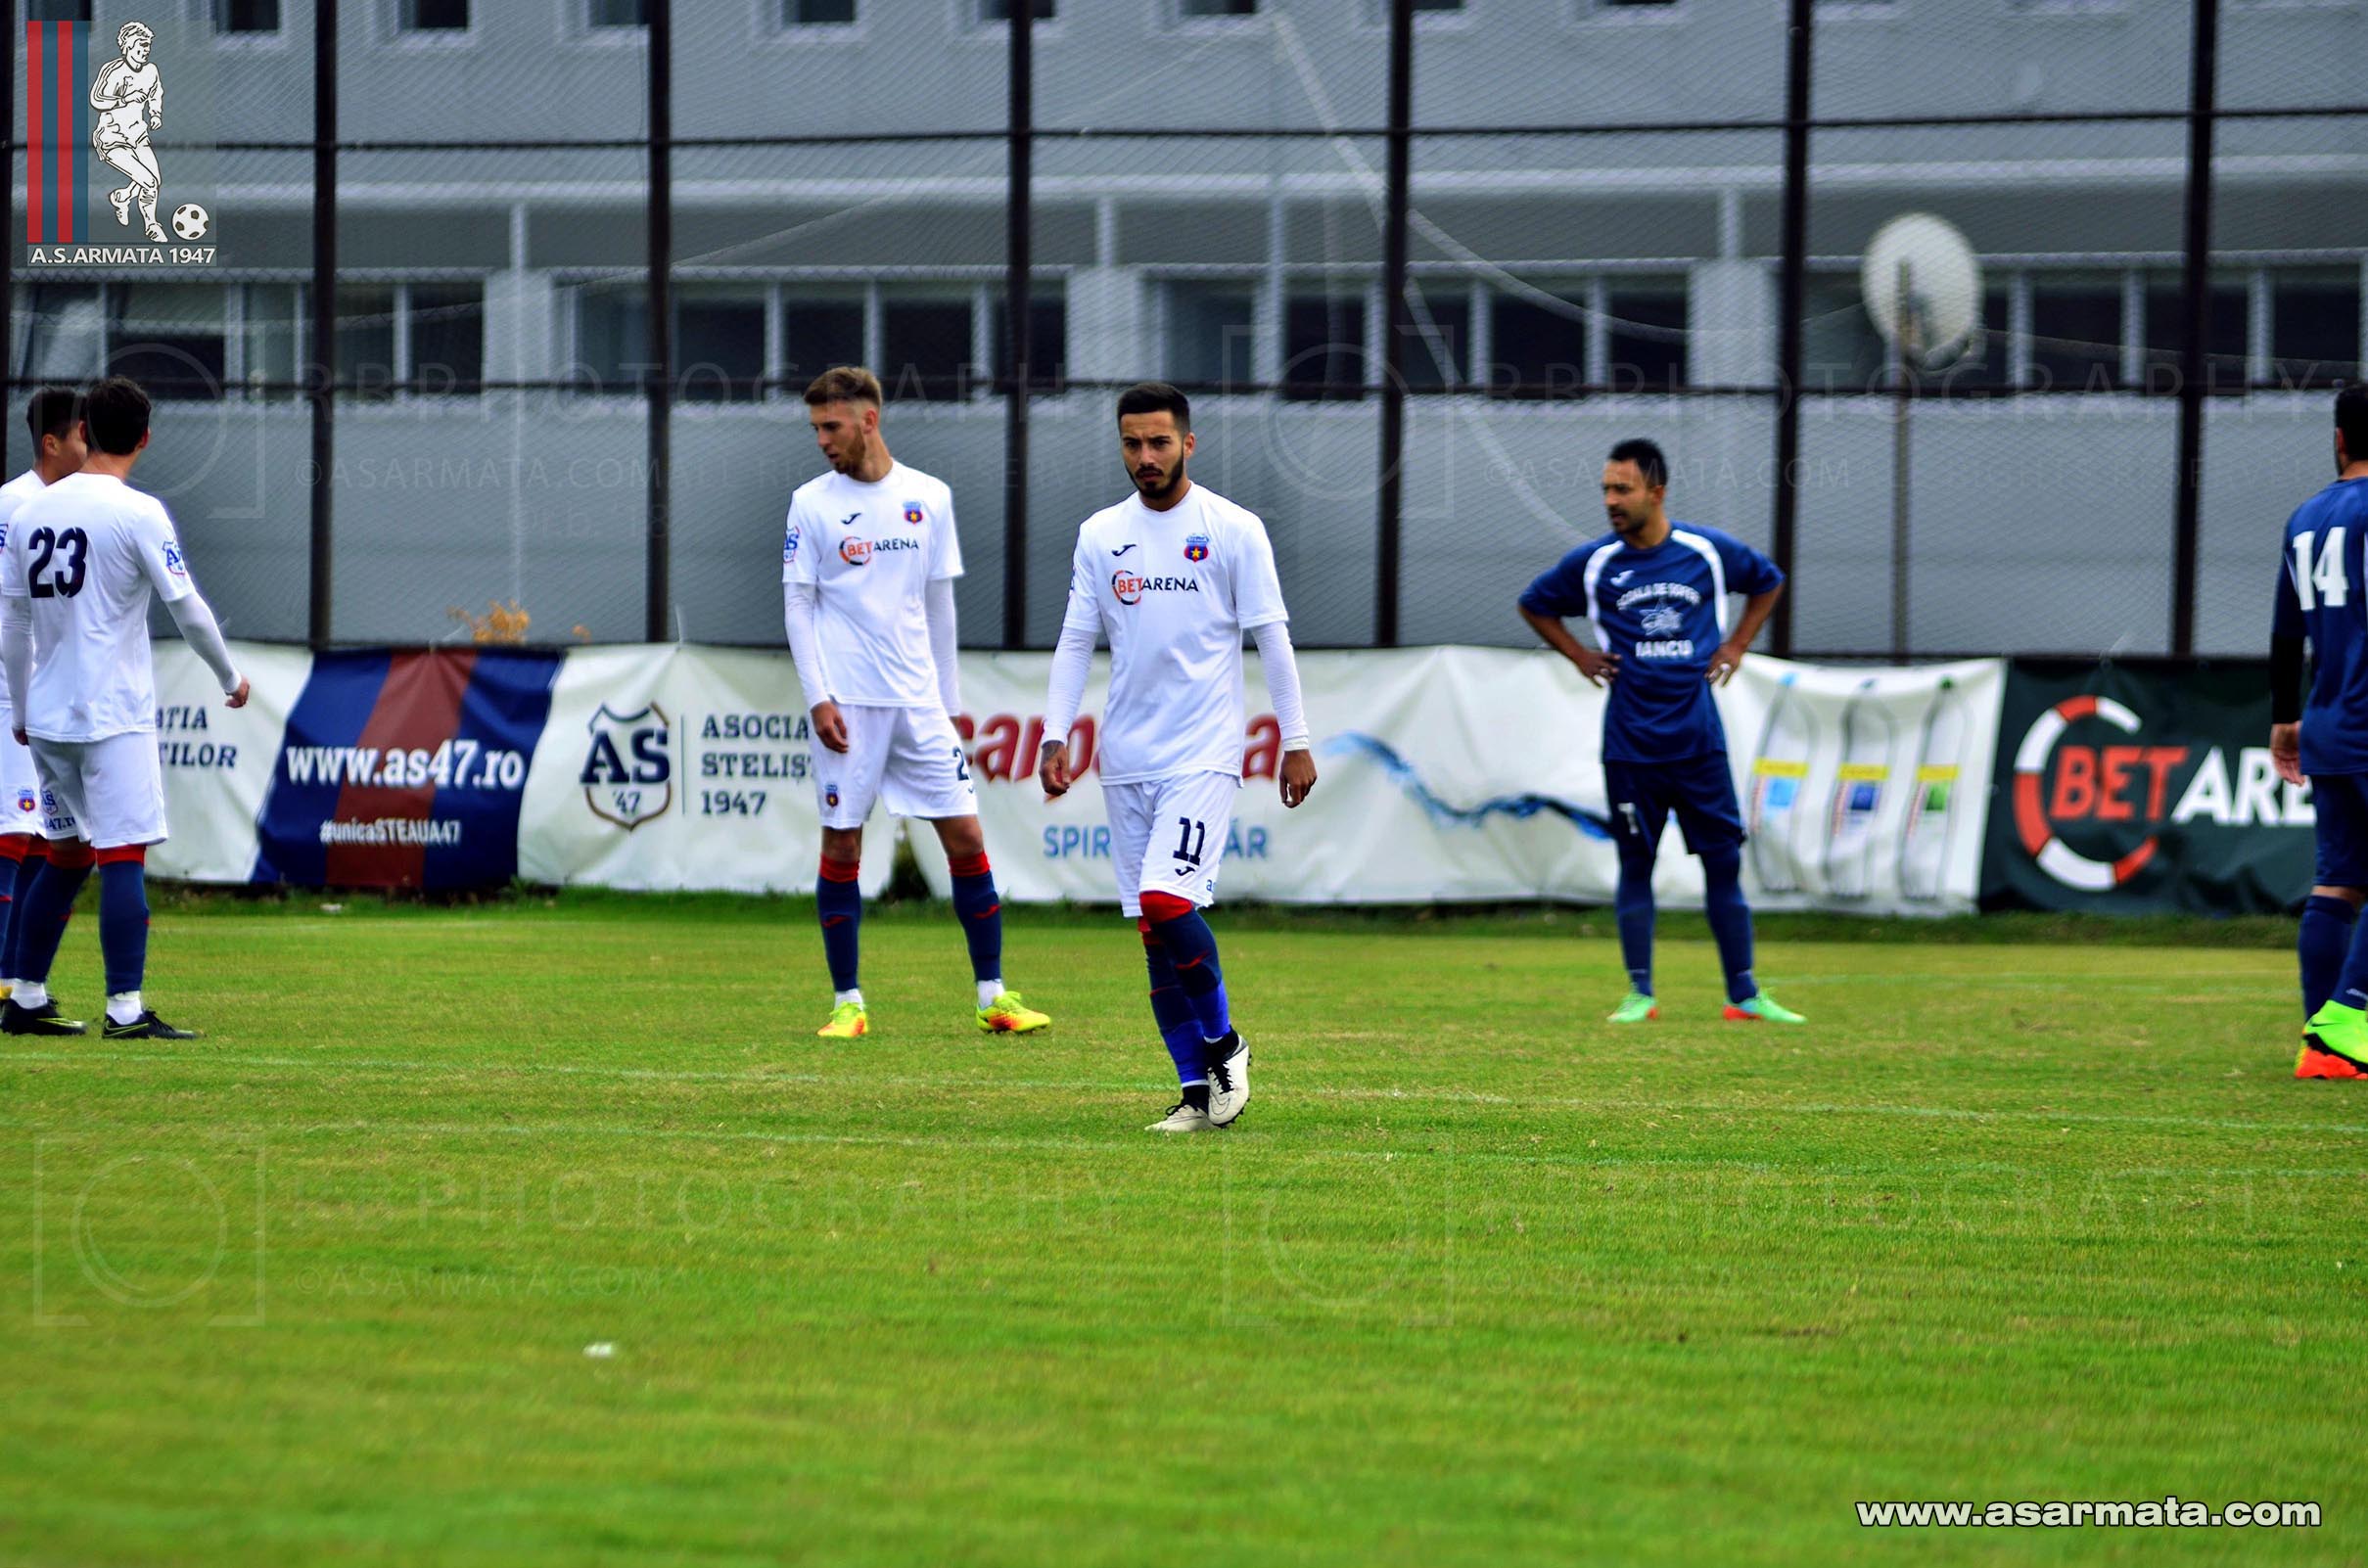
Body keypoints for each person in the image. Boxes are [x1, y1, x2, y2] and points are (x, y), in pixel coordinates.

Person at [1039, 381, 1317, 1133]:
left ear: (1187, 444)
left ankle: (1225, 1045)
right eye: (1132, 443)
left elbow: (1271, 636)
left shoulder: (1232, 528)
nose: (1145, 456)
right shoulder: (1101, 534)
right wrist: (1055, 734)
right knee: (1152, 935)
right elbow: (1075, 639)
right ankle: (1196, 1095)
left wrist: (1294, 739)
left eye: (1159, 442)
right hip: (1126, 757)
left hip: (1202, 753)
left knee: (1168, 902)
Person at [782, 365, 1048, 1041]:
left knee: (967, 837)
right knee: (843, 843)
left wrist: (949, 706)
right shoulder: (810, 503)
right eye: (816, 428)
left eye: (831, 426)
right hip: (848, 704)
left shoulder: (929, 496)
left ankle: (993, 996)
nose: (822, 440)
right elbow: (799, 605)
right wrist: (818, 698)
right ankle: (847, 1003)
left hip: (919, 702)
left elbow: (938, 607)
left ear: (868, 420)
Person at [1517, 438, 1801, 1027]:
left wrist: (1738, 644)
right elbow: (1535, 603)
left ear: (1656, 492)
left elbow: (1768, 580)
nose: (1610, 501)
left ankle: (1744, 995)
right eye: (1605, 490)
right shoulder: (1596, 563)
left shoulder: (1706, 552)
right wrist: (1578, 655)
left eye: (1622, 489)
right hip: (1631, 746)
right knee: (1635, 865)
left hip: (1699, 743)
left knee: (1722, 865)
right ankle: (1640, 994)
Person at [0, 377, 247, 1039]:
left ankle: (25, 996)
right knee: (121, 854)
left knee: (65, 855)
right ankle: (125, 1009)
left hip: (46, 717)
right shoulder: (138, 512)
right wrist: (229, 676)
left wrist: (20, 710)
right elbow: (186, 607)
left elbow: (13, 624)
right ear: (144, 438)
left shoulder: (28, 514)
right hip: (110, 715)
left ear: (83, 431)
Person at [2273, 383, 2368, 1080]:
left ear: (2338, 440)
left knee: (2339, 883)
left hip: (2328, 722)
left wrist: (2284, 718)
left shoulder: (2304, 518)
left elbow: (2286, 635)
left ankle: (2324, 1048)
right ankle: (2346, 1020)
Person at [0, 391, 85, 1005]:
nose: (89, 445)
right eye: (80, 435)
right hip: (11, 694)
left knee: (40, 833)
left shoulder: (71, 509)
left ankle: (17, 981)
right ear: (51, 443)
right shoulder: (14, 504)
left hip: (48, 695)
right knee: (11, 830)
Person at [90, 23, 167, 244]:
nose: (145, 50)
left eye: (147, 45)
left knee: (155, 180)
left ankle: (122, 196)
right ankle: (152, 226)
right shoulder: (114, 71)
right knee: (148, 181)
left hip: (138, 136)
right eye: (141, 45)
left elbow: (156, 93)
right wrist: (124, 99)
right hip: (112, 139)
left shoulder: (151, 71)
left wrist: (155, 114)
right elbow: (96, 99)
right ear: (127, 46)